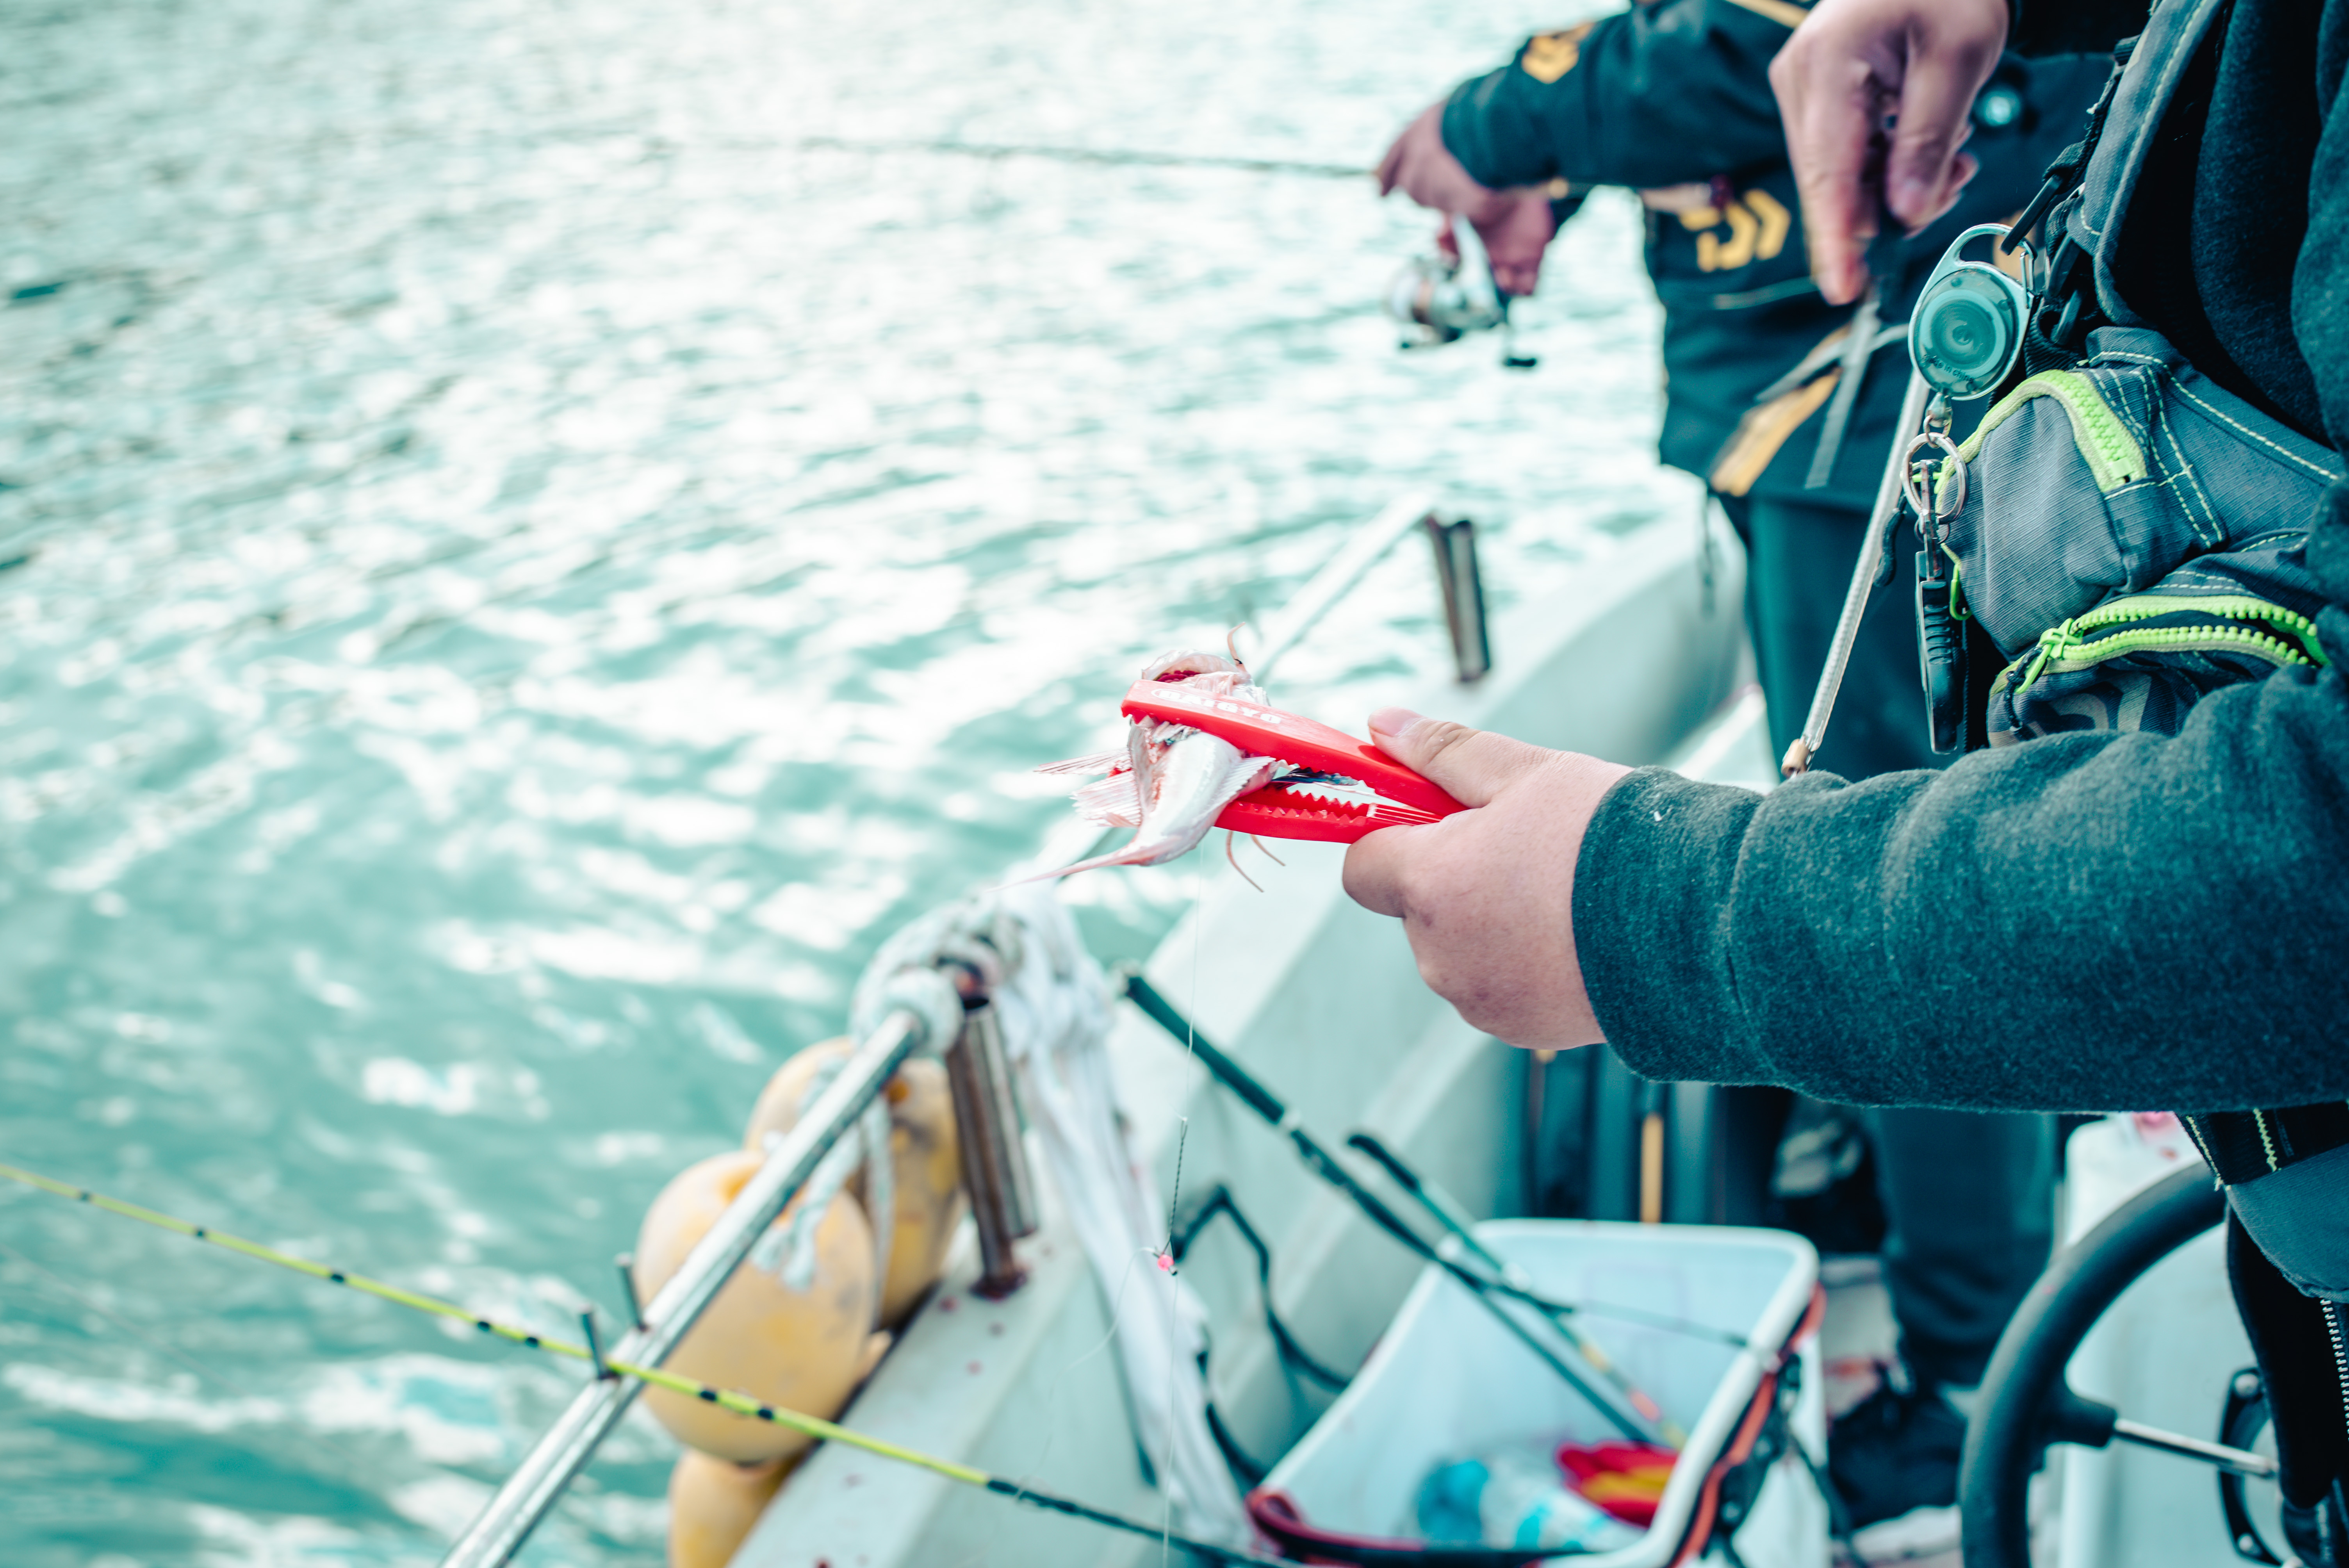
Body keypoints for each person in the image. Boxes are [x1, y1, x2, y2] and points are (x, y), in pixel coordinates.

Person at [1347, 0, 2349, 1555]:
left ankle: (1959, 1374)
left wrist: (1659, 922)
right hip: (1834, 420)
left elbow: (2315, 857)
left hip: (1847, 415)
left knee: (1922, 823)